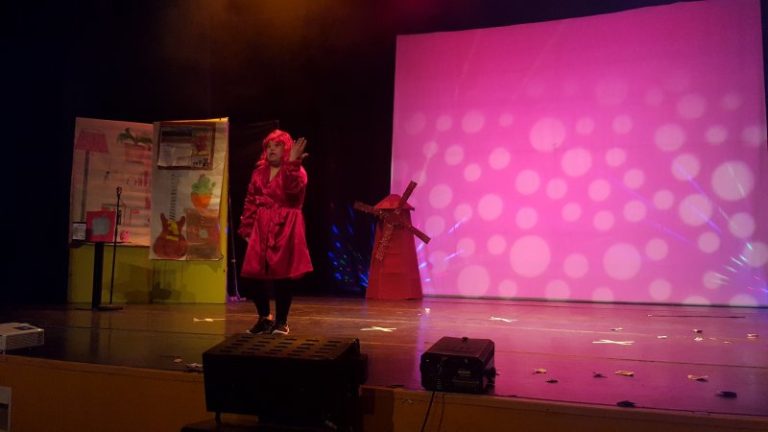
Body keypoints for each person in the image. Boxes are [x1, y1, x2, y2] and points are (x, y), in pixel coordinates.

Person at [238, 129, 312, 335]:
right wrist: (247, 228)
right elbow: (251, 201)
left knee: (282, 275)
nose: (271, 150)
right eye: (269, 146)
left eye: (277, 146)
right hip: (262, 225)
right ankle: (264, 318)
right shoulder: (259, 173)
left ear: (286, 149)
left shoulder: (297, 171)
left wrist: (293, 163)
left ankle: (281, 322)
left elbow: (292, 191)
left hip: (286, 225)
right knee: (252, 275)